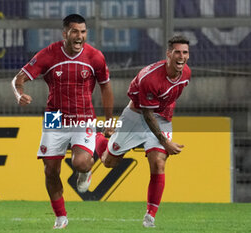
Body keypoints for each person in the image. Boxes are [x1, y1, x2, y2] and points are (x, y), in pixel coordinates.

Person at [11, 14, 113, 229]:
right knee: (50, 170)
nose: (80, 36)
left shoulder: (95, 57)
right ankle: (60, 216)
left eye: (83, 32)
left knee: (81, 162)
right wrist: (19, 94)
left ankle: (86, 170)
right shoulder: (48, 55)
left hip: (83, 116)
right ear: (65, 33)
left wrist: (110, 119)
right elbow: (18, 79)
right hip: (55, 117)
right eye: (75, 31)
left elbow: (105, 86)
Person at [95, 35, 190, 228]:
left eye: (185, 52)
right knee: (108, 162)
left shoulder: (186, 73)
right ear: (168, 54)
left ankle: (150, 216)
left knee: (158, 163)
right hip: (136, 117)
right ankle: (97, 137)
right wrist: (166, 142)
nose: (182, 56)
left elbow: (170, 97)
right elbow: (147, 115)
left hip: (161, 118)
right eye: (177, 52)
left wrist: (167, 120)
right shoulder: (150, 78)